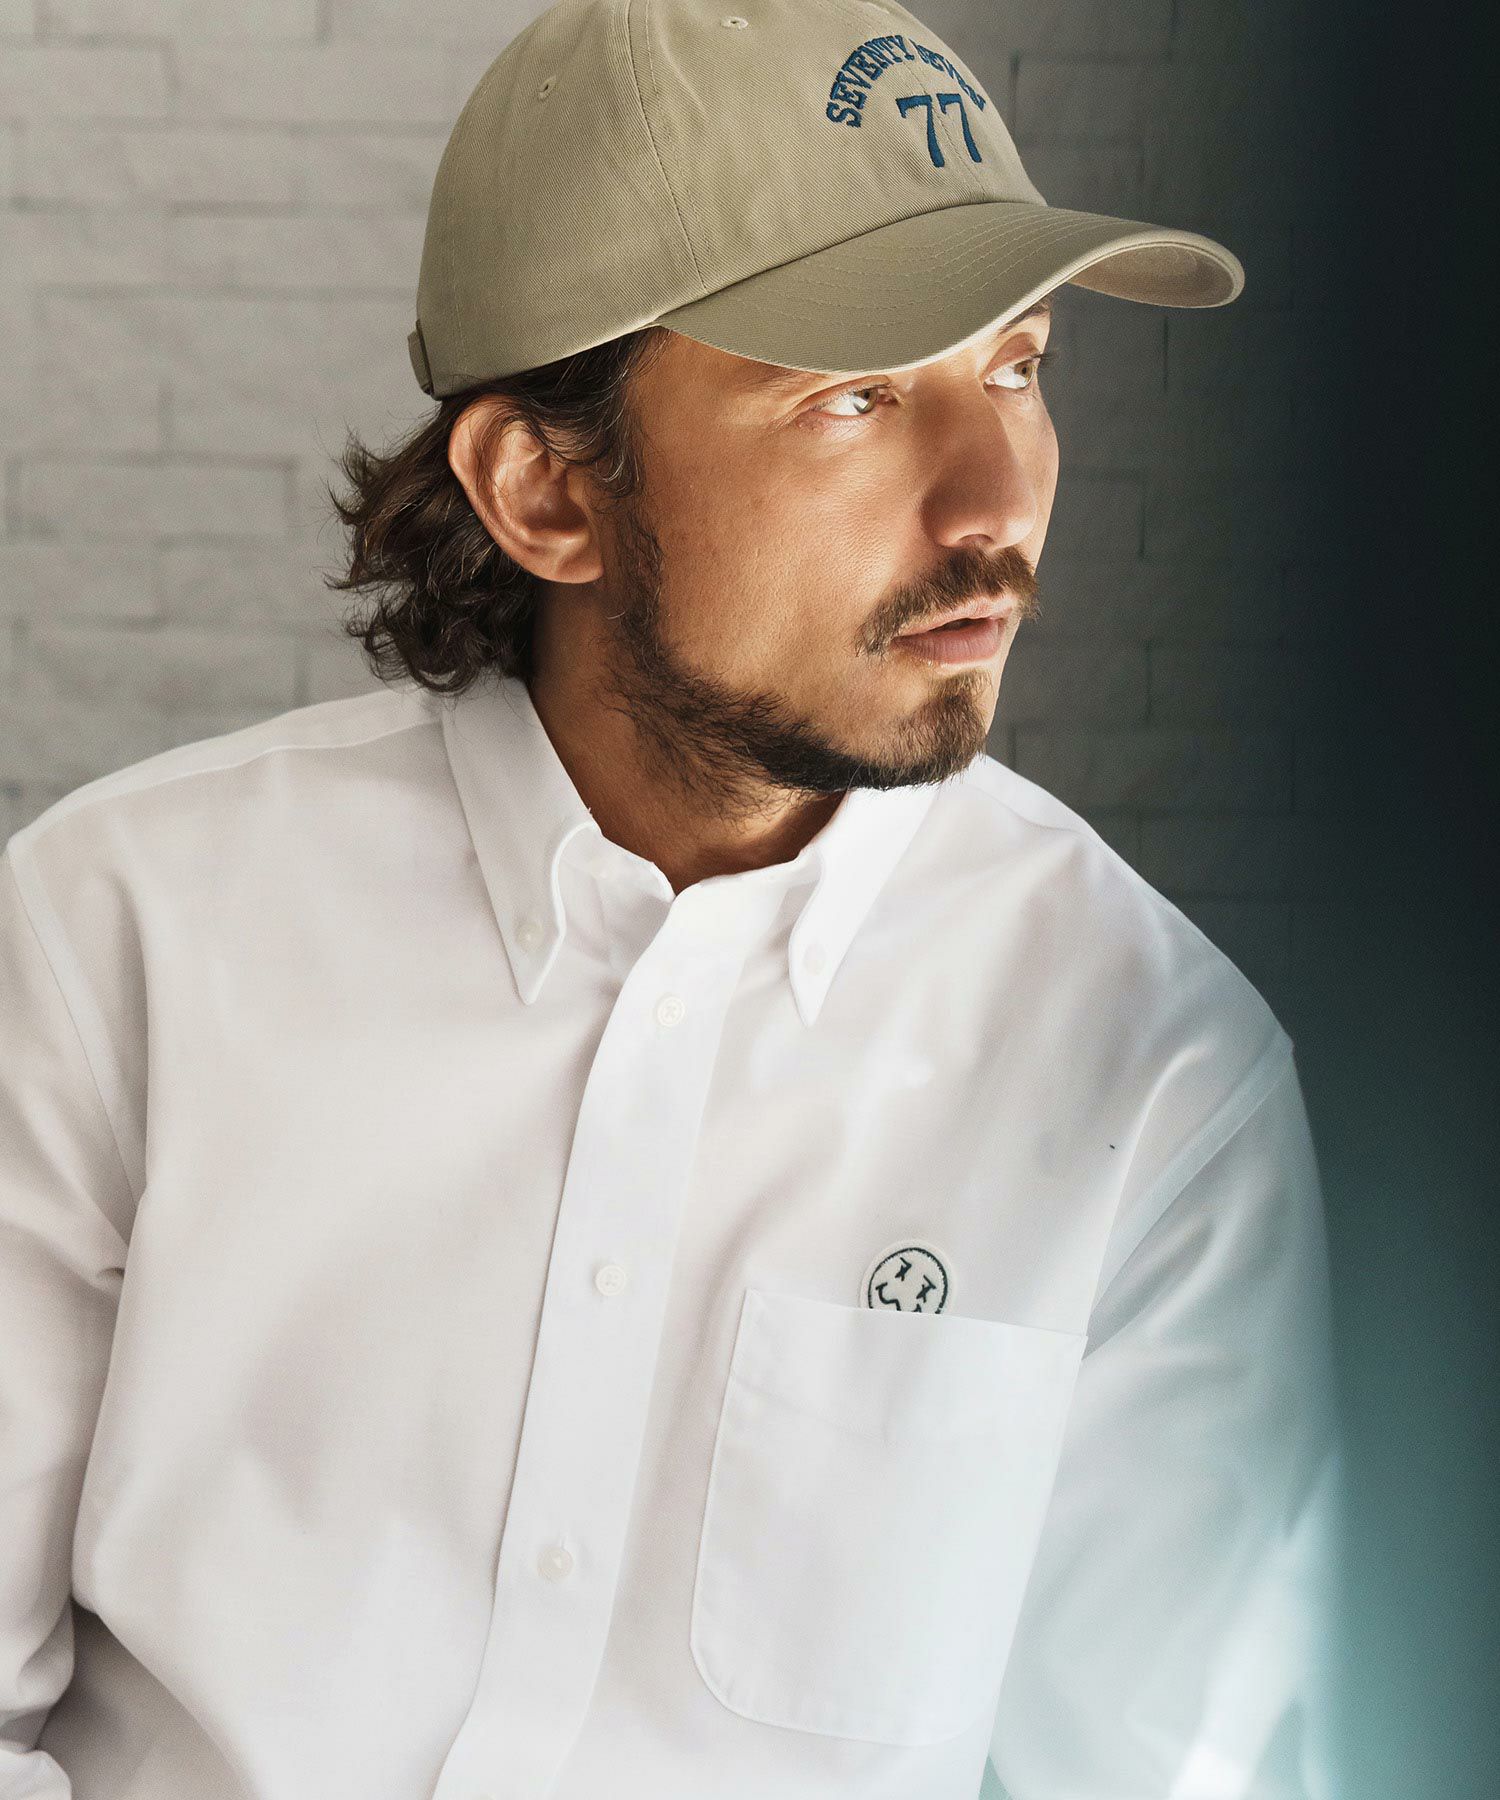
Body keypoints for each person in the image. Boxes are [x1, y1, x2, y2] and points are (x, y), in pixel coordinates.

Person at [0, 1, 1341, 1795]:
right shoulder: (120, 939)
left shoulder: (1156, 1069)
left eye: (1017, 365)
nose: (994, 502)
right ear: (547, 490)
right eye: (859, 395)